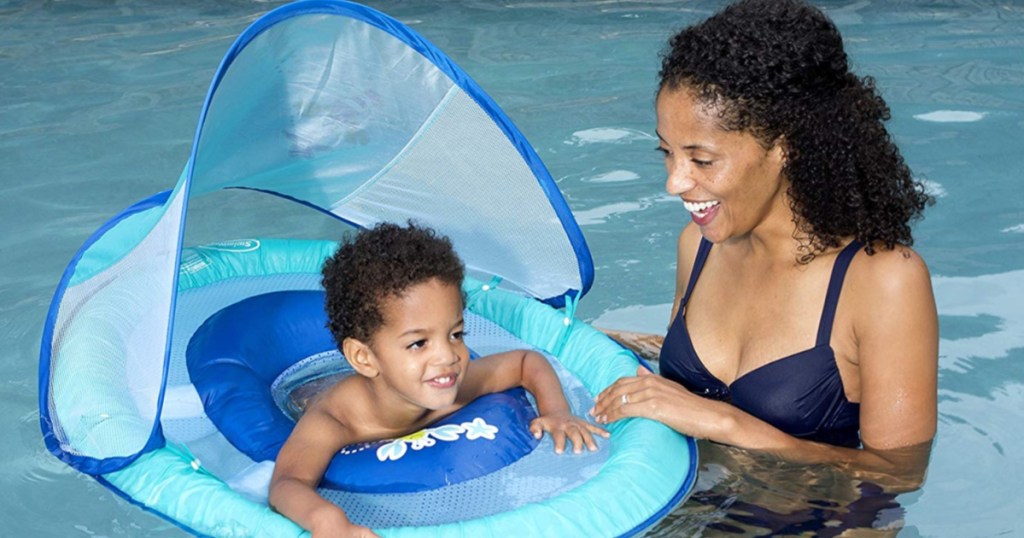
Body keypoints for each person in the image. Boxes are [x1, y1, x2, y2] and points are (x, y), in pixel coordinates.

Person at [592, 0, 938, 492]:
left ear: (785, 146)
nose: (674, 182)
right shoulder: (699, 246)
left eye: (702, 160)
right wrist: (617, 341)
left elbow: (899, 474)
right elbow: (709, 373)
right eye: (666, 153)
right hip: (689, 508)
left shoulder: (882, 280)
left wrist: (724, 423)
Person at [269, 222, 607, 538]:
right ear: (363, 357)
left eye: (456, 333)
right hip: (309, 390)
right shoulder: (334, 422)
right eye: (419, 343)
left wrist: (556, 410)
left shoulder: (455, 382)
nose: (448, 356)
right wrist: (327, 520)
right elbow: (287, 483)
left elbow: (525, 361)